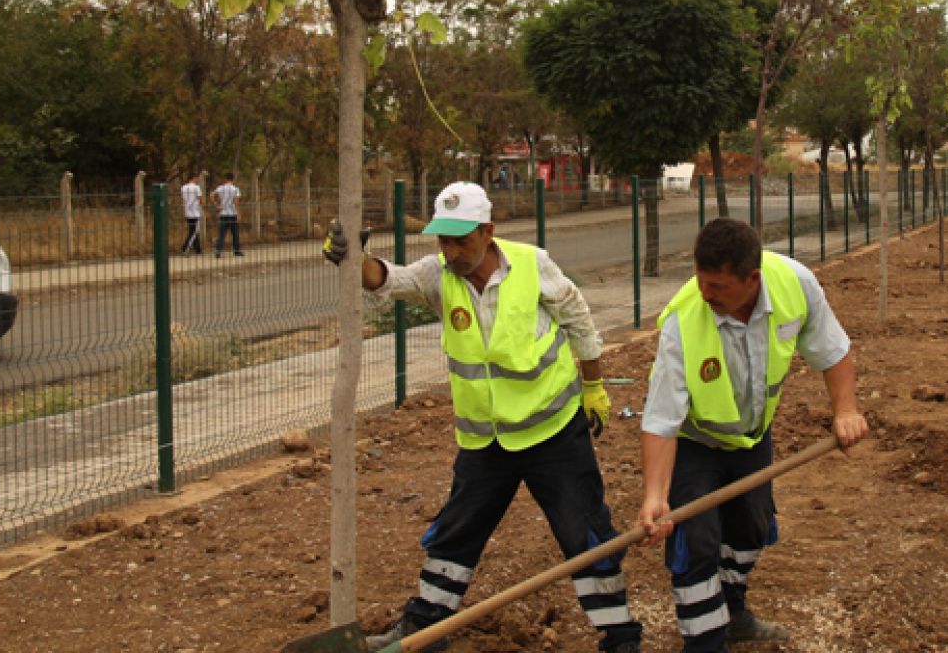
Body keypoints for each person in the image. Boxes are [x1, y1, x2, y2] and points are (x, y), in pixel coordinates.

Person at [323, 181, 643, 653]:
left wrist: (593, 384)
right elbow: (387, 279)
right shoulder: (438, 275)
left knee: (586, 532)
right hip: (485, 442)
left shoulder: (533, 265)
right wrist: (352, 258)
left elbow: (578, 318)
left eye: (462, 240)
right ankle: (424, 630)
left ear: (488, 231)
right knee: (457, 532)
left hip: (552, 432)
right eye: (444, 241)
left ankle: (619, 636)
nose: (451, 251)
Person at [637, 217, 869, 652]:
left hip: (751, 439)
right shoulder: (683, 322)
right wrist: (655, 495)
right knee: (696, 542)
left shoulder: (794, 285)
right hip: (695, 442)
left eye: (719, 286)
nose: (706, 294)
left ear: (752, 279)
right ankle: (705, 642)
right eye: (701, 281)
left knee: (751, 530)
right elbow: (661, 419)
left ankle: (732, 614)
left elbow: (833, 352)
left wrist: (846, 411)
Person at [212, 172, 242, 257]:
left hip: (223, 213)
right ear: (233, 179)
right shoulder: (235, 189)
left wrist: (216, 205)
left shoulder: (220, 188)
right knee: (235, 233)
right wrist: (238, 213)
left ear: (225, 179)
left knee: (221, 234)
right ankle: (237, 251)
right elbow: (236, 201)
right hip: (232, 213)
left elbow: (211, 195)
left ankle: (218, 250)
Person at [180, 173, 204, 255]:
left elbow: (182, 198)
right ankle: (185, 247)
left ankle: (198, 249)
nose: (197, 180)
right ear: (193, 178)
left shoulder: (183, 187)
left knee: (192, 230)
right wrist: (201, 203)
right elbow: (200, 198)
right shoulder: (197, 187)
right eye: (196, 178)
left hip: (187, 211)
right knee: (194, 231)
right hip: (195, 211)